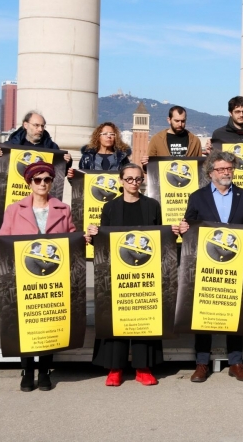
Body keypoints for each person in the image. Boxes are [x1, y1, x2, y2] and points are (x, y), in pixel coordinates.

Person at [86, 164, 180, 387]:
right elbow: (104, 241)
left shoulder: (152, 206)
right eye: (129, 179)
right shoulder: (110, 207)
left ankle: (143, 367)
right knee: (116, 316)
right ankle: (115, 367)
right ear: (121, 181)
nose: (134, 183)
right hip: (117, 272)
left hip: (145, 272)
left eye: (138, 179)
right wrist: (92, 236)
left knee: (144, 317)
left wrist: (171, 232)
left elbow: (159, 237)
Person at [0, 161, 79, 392]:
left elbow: (70, 237)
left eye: (47, 179)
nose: (42, 184)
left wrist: (82, 239)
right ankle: (27, 369)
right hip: (24, 275)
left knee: (49, 321)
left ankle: (45, 370)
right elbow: (4, 238)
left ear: (52, 182)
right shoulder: (13, 209)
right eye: (37, 180)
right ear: (29, 182)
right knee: (26, 322)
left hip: (53, 275)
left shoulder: (63, 208)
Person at [180, 150, 243, 382]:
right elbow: (190, 224)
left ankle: (236, 362)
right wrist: (184, 229)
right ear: (210, 173)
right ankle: (201, 363)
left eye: (229, 168)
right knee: (204, 312)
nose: (226, 172)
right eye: (221, 169)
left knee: (235, 312)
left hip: (236, 264)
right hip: (206, 264)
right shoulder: (198, 197)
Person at [0, 111, 73, 173]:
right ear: (25, 125)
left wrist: (66, 162)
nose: (40, 129)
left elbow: (59, 175)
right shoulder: (11, 146)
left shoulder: (52, 147)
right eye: (36, 125)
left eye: (42, 126)